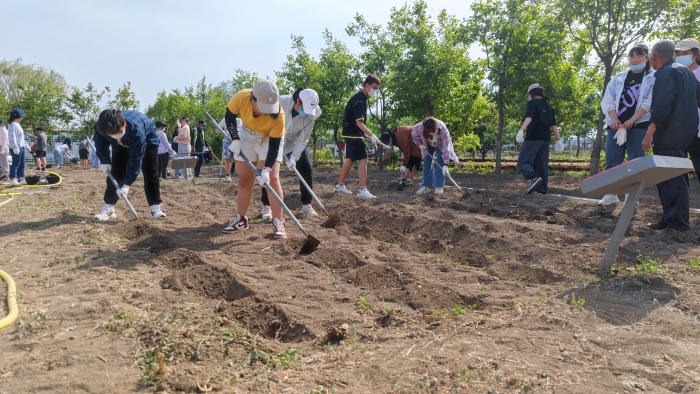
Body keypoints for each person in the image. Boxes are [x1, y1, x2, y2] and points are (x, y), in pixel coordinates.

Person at [642, 39, 700, 231]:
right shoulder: (685, 71)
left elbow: (661, 107)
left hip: (669, 134)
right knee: (675, 177)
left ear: (655, 56)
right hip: (685, 132)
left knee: (670, 178)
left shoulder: (665, 73)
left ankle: (677, 223)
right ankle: (672, 219)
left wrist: (649, 134)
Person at [222, 80, 287, 238]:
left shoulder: (279, 115)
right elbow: (230, 117)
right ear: (253, 99)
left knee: (272, 178)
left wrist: (267, 168)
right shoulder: (241, 97)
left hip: (269, 139)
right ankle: (242, 219)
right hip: (246, 135)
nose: (266, 112)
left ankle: (278, 221)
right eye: (262, 106)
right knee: (244, 179)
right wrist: (235, 138)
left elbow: (274, 146)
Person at [598, 44, 655, 206]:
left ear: (647, 57)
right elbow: (608, 100)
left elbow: (649, 101)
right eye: (632, 56)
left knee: (635, 161)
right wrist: (614, 118)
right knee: (612, 159)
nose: (635, 60)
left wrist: (634, 118)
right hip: (615, 127)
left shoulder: (652, 78)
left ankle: (631, 196)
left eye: (639, 56)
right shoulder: (619, 78)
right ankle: (610, 194)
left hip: (639, 126)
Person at [93, 109, 166, 220]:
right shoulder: (102, 126)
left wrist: (127, 184)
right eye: (112, 135)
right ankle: (109, 208)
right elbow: (100, 143)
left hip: (147, 141)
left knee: (151, 173)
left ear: (124, 124)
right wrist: (105, 160)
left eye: (118, 133)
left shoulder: (137, 130)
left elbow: (136, 159)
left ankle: (155, 208)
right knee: (116, 173)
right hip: (121, 145)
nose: (116, 135)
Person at [260, 88, 322, 218]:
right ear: (298, 101)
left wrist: (294, 156)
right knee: (268, 169)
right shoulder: (280, 103)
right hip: (274, 138)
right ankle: (267, 205)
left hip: (293, 142)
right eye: (304, 108)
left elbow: (303, 139)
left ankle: (306, 205)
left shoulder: (312, 114)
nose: (307, 113)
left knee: (305, 167)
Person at [334, 74, 381, 199]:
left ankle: (340, 185)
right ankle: (362, 189)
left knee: (349, 158)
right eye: (374, 88)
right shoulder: (360, 100)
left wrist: (365, 133)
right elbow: (359, 122)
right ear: (367, 85)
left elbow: (357, 122)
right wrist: (371, 135)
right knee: (363, 158)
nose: (375, 91)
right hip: (353, 134)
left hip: (350, 133)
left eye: (377, 89)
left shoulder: (361, 98)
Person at [515, 84, 563, 194]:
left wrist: (521, 130)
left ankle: (533, 177)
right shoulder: (548, 107)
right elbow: (553, 125)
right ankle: (541, 190)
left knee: (522, 162)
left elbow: (529, 117)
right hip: (545, 139)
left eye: (528, 95)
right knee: (541, 164)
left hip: (533, 137)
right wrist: (558, 139)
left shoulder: (532, 103)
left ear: (531, 94)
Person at [411, 117, 459, 195]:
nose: (432, 132)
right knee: (427, 162)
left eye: (434, 131)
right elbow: (414, 136)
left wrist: (445, 164)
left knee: (440, 161)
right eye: (430, 131)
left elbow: (446, 147)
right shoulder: (418, 127)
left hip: (441, 144)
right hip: (427, 144)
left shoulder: (442, 128)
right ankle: (426, 186)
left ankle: (439, 186)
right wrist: (420, 144)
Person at [675, 38, 700, 184]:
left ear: (697, 53)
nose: (681, 56)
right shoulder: (675, 74)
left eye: (686, 52)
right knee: (678, 172)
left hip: (698, 129)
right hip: (681, 131)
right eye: (678, 53)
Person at [8, 108, 27, 186]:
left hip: (21, 147)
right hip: (16, 148)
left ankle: (21, 178)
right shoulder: (12, 124)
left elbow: (20, 137)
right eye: (21, 115)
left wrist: (26, 145)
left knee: (22, 164)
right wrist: (15, 147)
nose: (22, 117)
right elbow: (13, 137)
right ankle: (13, 179)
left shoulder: (18, 124)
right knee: (16, 163)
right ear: (18, 116)